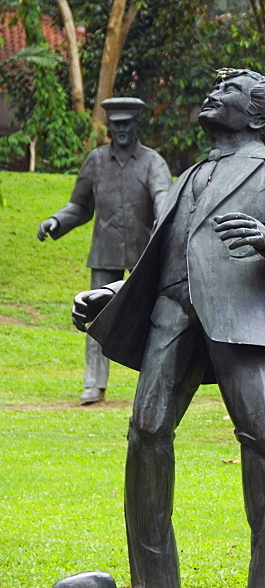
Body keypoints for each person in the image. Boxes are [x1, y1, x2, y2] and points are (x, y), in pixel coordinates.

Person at [72, 68, 265, 588]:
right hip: (172, 314)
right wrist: (111, 297)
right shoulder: (188, 176)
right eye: (213, 89)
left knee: (264, 442)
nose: (212, 95)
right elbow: (162, 257)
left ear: (259, 115)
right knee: (145, 434)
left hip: (241, 319)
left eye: (230, 93)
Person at [38, 97, 172, 405]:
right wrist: (56, 221)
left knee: (154, 317)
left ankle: (154, 385)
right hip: (105, 250)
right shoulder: (96, 162)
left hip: (144, 253)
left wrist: (163, 227)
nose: (122, 130)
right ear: (109, 126)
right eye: (116, 124)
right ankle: (93, 383)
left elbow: (163, 198)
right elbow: (80, 206)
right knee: (94, 315)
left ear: (136, 124)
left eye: (127, 124)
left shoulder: (153, 162)